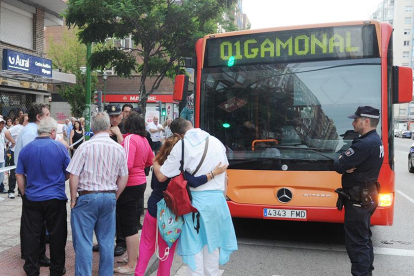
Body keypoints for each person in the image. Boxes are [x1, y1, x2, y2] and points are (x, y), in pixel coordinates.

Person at [154, 118, 238, 276]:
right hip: (217, 202)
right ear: (191, 126)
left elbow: (163, 175)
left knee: (194, 246)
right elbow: (225, 173)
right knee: (212, 245)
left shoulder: (182, 145)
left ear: (177, 134)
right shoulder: (216, 141)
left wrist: (155, 161)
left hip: (195, 203)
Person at [136, 135, 228, 276]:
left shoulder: (157, 163)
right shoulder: (181, 169)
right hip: (172, 214)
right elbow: (195, 182)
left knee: (146, 245)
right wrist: (213, 173)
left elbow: (155, 185)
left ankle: (139, 273)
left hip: (154, 208)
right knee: (166, 249)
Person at [67, 112, 128, 276]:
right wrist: (114, 196)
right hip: (108, 195)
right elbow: (124, 176)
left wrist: (73, 198)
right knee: (107, 242)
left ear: (92, 127)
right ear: (109, 127)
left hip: (87, 196)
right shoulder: (118, 148)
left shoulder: (85, 147)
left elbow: (74, 175)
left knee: (84, 242)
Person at [16, 117, 70, 276]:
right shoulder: (60, 148)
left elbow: (19, 174)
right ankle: (57, 269)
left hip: (33, 198)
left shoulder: (27, 149)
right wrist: (60, 179)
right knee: (57, 236)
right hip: (55, 198)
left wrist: (25, 193)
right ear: (53, 131)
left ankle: (32, 269)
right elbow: (69, 171)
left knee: (32, 235)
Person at [334, 106, 383, 276]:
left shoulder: (364, 144)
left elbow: (339, 165)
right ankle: (367, 272)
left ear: (366, 121)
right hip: (367, 196)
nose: (353, 123)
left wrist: (342, 161)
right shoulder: (376, 140)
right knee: (363, 239)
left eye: (356, 120)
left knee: (356, 243)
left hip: (357, 199)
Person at [113, 112, 154, 274]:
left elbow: (126, 165)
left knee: (128, 224)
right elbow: (150, 160)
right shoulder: (143, 140)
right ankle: (133, 256)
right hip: (140, 183)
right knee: (130, 222)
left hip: (129, 184)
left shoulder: (130, 139)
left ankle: (131, 264)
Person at [14, 103, 51, 266]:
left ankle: (31, 252)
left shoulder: (28, 130)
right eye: (47, 115)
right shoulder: (31, 132)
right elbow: (33, 160)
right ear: (39, 117)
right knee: (34, 222)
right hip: (32, 181)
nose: (49, 118)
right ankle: (34, 255)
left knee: (31, 221)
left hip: (31, 180)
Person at [3, 113, 28, 198]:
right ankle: (11, 191)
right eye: (26, 119)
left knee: (24, 173)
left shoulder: (29, 128)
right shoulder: (18, 127)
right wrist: (12, 141)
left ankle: (21, 191)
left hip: (25, 153)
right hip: (15, 152)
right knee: (14, 172)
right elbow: (6, 132)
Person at [0, 118, 6, 194]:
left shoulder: (2, 134)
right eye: (0, 123)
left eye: (2, 123)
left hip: (1, 159)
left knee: (1, 178)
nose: (1, 125)